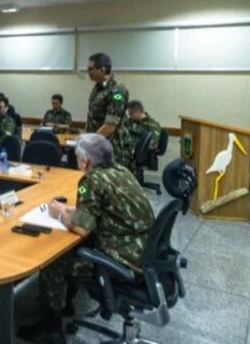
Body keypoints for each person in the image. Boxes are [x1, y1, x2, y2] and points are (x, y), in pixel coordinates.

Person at [21, 134, 154, 343]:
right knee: (71, 248)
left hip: (123, 259)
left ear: (86, 161)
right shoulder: (121, 171)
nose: (76, 161)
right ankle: (66, 304)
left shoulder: (91, 179)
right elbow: (104, 208)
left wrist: (58, 213)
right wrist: (71, 210)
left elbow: (82, 229)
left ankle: (51, 330)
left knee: (53, 261)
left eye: (76, 157)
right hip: (143, 251)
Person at [85, 53, 131, 168]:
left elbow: (110, 125)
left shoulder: (117, 90)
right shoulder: (98, 88)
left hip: (111, 147)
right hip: (97, 144)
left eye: (91, 69)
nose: (88, 71)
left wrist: (90, 142)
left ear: (102, 70)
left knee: (109, 183)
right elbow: (92, 116)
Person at [123, 100, 163, 172]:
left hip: (139, 153)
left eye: (131, 113)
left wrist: (134, 150)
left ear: (139, 111)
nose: (130, 116)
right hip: (127, 148)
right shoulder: (129, 122)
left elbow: (152, 144)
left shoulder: (153, 125)